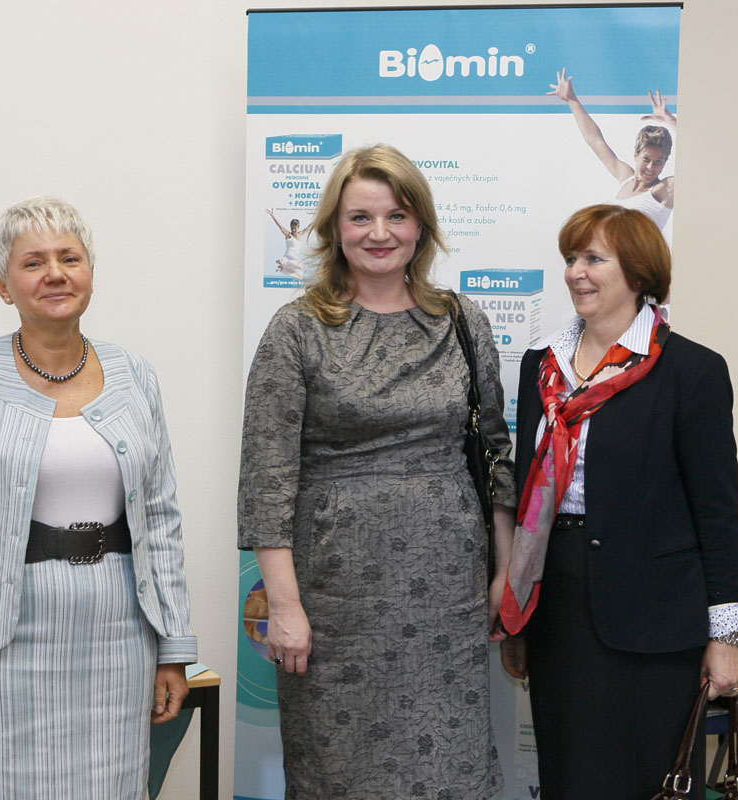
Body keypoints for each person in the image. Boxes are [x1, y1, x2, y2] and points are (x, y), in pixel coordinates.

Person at [238, 144, 517, 800]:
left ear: (420, 224)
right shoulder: (296, 330)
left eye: (396, 215)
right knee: (339, 771)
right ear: (335, 227)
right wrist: (285, 608)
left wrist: (505, 572)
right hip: (334, 599)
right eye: (360, 217)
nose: (380, 233)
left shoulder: (462, 322)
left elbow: (494, 455)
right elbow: (266, 478)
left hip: (447, 593)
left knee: (448, 767)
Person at [0, 196, 196, 799]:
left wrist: (173, 648)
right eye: (33, 262)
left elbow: (160, 520)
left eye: (70, 258)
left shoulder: (136, 375)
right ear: (2, 286)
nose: (55, 274)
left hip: (118, 634)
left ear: (90, 272)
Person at [499, 204, 738, 799]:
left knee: (647, 777)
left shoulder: (691, 370)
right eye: (570, 258)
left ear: (637, 271)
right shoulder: (541, 367)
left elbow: (716, 512)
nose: (575, 272)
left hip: (654, 617)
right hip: (557, 602)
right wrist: (517, 612)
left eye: (594, 258)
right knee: (569, 775)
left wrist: (726, 637)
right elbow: (529, 497)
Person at [548, 68, 677, 231]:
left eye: (658, 162)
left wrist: (671, 121)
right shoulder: (626, 177)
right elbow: (595, 140)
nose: (651, 167)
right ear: (636, 155)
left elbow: (698, 156)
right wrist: (571, 99)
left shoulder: (663, 189)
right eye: (646, 159)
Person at [266, 208, 311, 278]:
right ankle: (282, 263)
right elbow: (281, 227)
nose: (293, 230)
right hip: (288, 255)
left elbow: (308, 228)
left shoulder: (300, 234)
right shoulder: (288, 235)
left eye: (295, 228)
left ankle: (281, 267)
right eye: (292, 228)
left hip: (294, 258)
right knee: (296, 266)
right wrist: (272, 215)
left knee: (299, 274)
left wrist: (319, 218)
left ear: (298, 227)